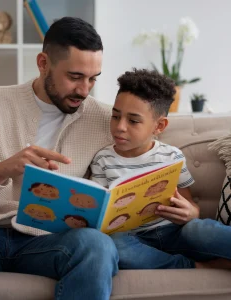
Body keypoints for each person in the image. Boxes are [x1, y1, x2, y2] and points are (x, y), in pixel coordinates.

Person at [0, 17, 119, 300]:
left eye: (93, 79)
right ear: (43, 63)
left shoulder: (105, 121)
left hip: (52, 240)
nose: (84, 90)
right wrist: (1, 170)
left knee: (98, 246)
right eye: (75, 76)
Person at [90, 69, 231, 270]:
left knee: (199, 230)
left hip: (175, 234)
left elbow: (188, 204)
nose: (120, 127)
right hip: (132, 239)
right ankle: (193, 266)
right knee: (116, 245)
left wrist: (191, 212)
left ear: (159, 126)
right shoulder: (103, 159)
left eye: (133, 121)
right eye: (115, 116)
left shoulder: (171, 156)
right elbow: (101, 212)